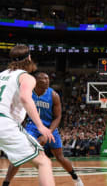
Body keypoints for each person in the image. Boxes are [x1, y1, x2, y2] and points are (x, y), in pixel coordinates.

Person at [2, 72, 84, 186]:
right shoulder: (28, 92)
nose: (47, 81)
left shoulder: (53, 95)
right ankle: (6, 183)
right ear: (36, 81)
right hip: (33, 126)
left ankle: (76, 178)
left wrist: (48, 132)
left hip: (50, 127)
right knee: (19, 155)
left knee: (59, 157)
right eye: (43, 79)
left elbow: (58, 117)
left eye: (48, 78)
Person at [0, 45, 55, 186]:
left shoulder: (1, 75)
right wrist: (40, 126)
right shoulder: (26, 77)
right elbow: (25, 98)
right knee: (43, 162)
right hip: (4, 124)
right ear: (29, 58)